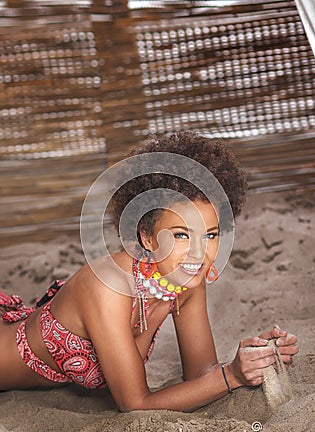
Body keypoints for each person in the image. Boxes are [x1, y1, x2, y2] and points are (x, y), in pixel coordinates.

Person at [0, 131, 298, 412]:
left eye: (210, 234)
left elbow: (201, 374)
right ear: (147, 235)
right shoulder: (108, 286)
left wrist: (253, 360)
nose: (199, 252)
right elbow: (135, 403)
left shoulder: (185, 281)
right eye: (181, 234)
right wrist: (232, 377)